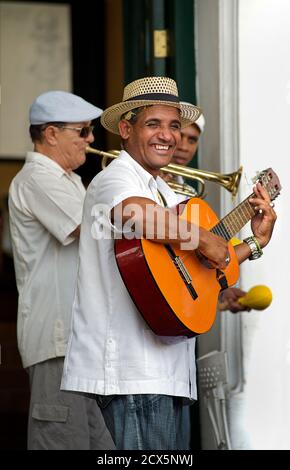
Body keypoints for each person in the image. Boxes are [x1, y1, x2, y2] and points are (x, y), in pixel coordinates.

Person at [61, 76, 277, 450]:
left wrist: (253, 243)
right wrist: (209, 240)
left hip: (166, 373)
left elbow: (204, 273)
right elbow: (139, 216)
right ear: (126, 129)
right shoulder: (116, 179)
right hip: (132, 373)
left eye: (174, 125)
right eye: (153, 124)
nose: (168, 135)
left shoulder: (163, 191)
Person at [8, 91, 115, 450]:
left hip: (76, 343)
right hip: (58, 341)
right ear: (51, 134)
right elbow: (97, 228)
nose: (91, 139)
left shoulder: (68, 180)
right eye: (83, 131)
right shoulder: (39, 177)